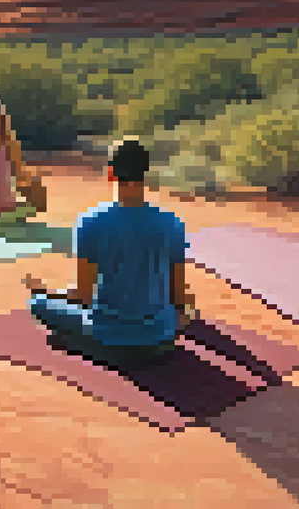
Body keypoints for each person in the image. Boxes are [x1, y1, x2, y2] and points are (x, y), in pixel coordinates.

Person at [23, 138, 195, 369]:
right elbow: (179, 295)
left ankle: (87, 343)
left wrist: (47, 292)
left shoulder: (91, 221)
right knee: (182, 310)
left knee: (38, 304)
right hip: (159, 339)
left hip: (108, 336)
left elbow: (83, 295)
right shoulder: (172, 223)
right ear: (145, 174)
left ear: (111, 173)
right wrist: (182, 316)